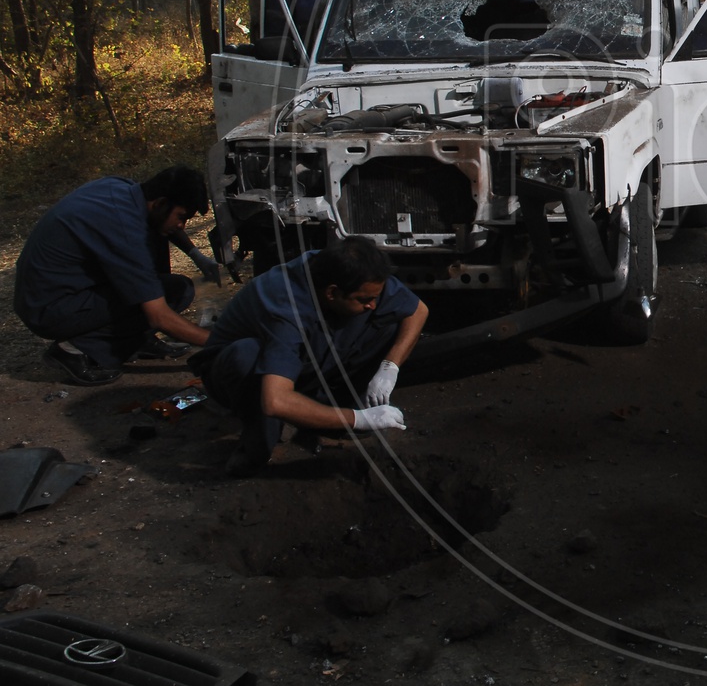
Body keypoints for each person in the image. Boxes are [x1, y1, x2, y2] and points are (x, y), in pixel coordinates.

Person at [189, 236, 428, 477]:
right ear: (333, 293)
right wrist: (357, 418)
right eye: (366, 299)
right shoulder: (288, 306)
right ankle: (255, 447)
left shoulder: (349, 274)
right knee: (247, 357)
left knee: (388, 326)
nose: (373, 305)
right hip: (234, 371)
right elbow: (275, 401)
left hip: (300, 361)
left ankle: (314, 412)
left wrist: (390, 366)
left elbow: (417, 310)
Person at [14, 166, 214, 386]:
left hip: (50, 291)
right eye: (181, 217)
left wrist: (196, 255)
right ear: (161, 202)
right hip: (49, 308)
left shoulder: (121, 189)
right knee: (176, 292)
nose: (181, 225)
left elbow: (163, 223)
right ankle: (72, 350)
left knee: (157, 233)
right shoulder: (124, 230)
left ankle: (138, 340)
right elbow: (159, 317)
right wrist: (219, 341)